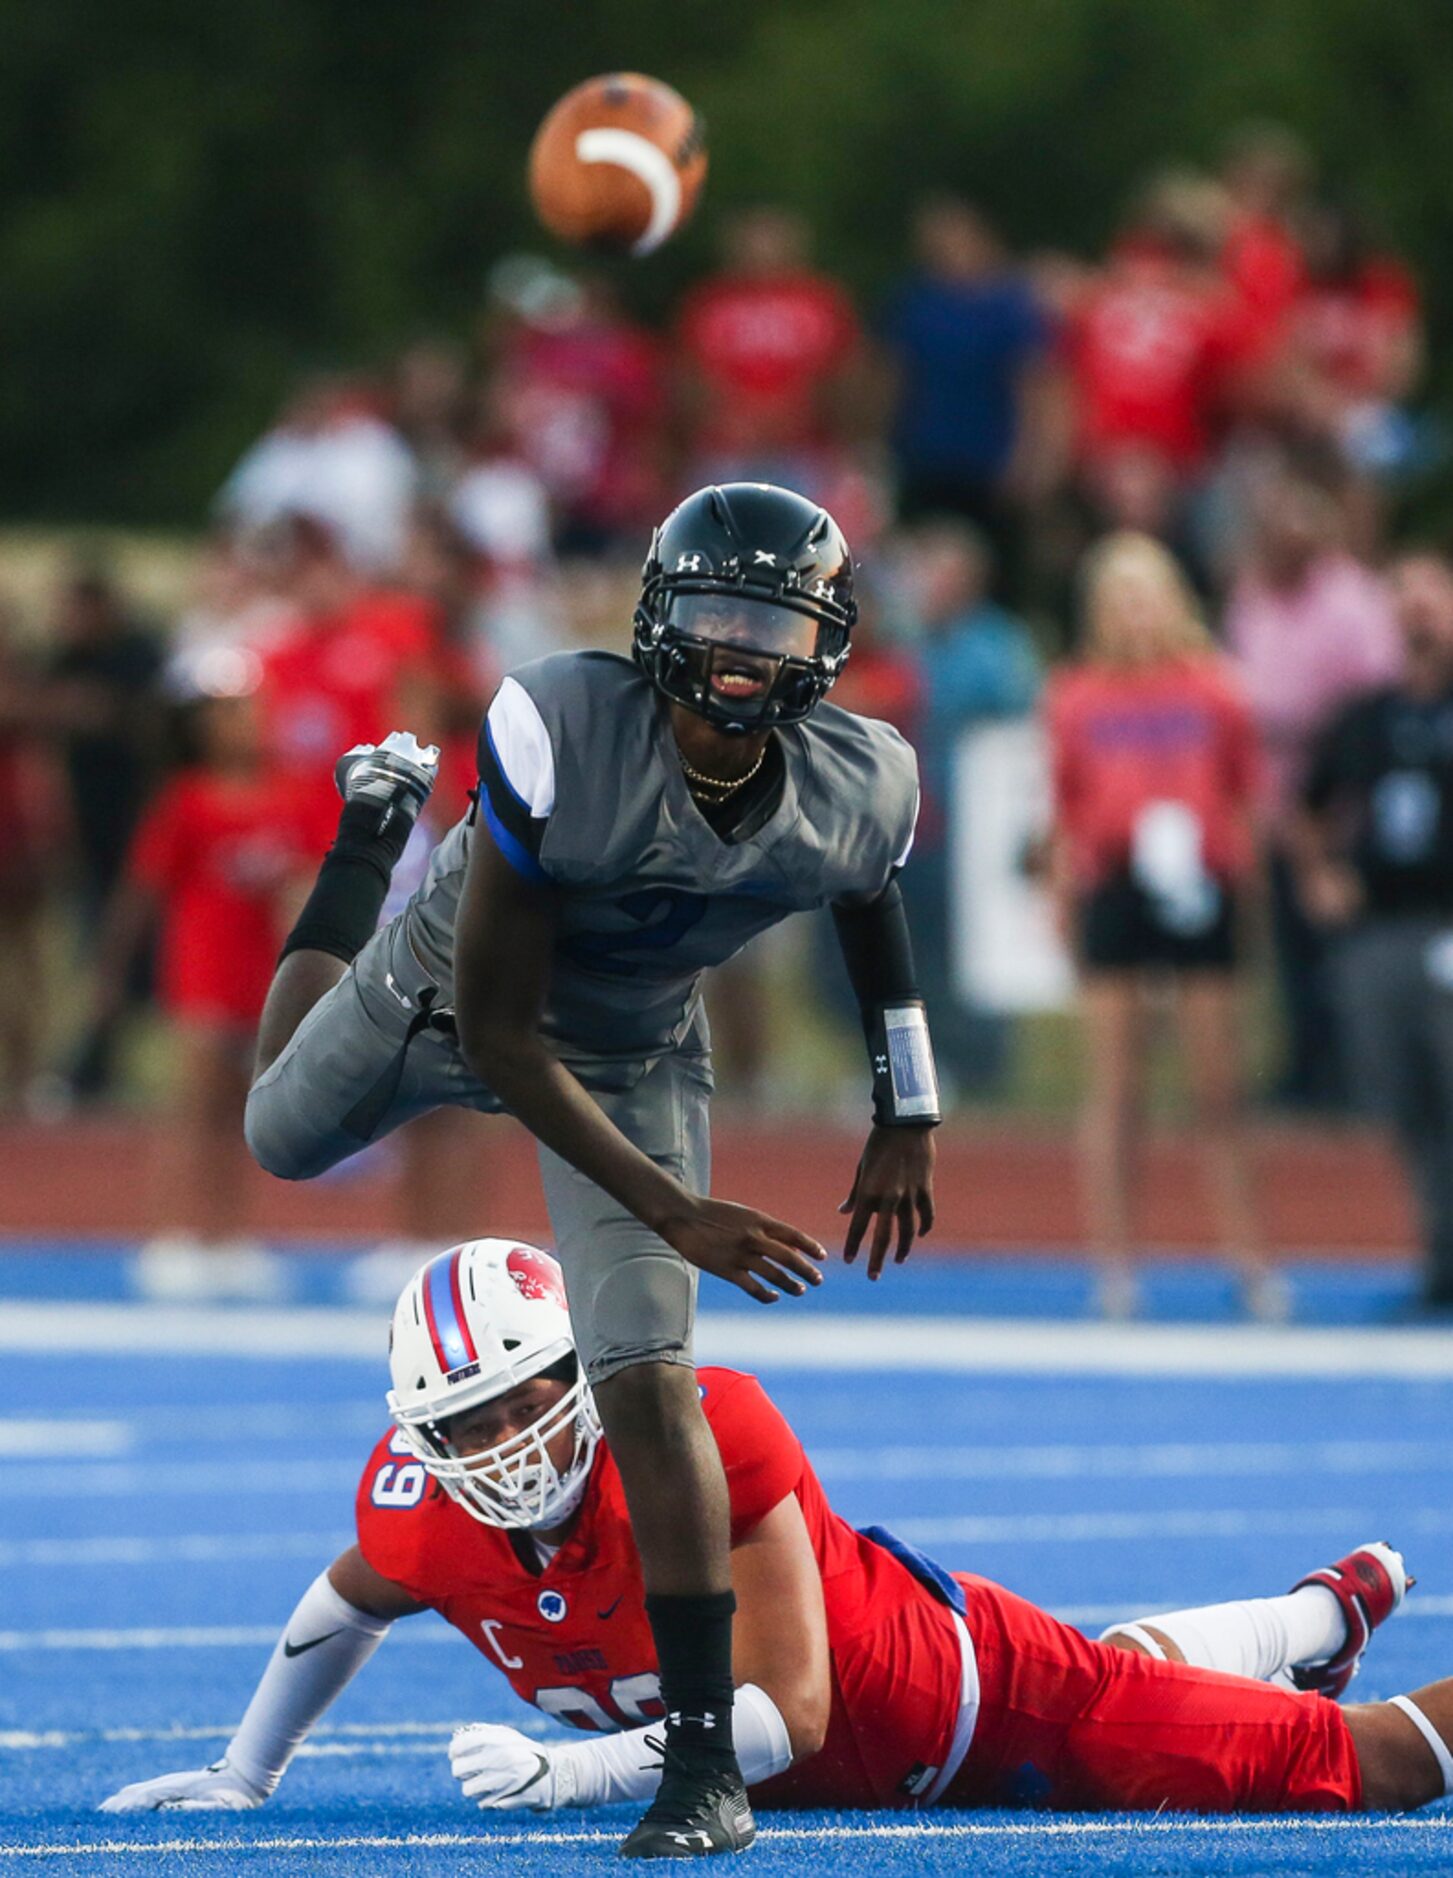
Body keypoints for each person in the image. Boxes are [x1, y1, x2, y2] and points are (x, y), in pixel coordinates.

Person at [239, 483, 940, 1857]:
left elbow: (871, 907)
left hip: (628, 1048)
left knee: (644, 1373)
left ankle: (698, 1768)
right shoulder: (561, 722)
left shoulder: (866, 778)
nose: (743, 649)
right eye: (720, 615)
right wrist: (676, 1206)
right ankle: (370, 833)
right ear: (659, 621)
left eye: (775, 621)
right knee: (279, 1129)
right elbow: (501, 1033)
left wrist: (903, 1107)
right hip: (447, 996)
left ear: (827, 639)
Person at [100, 1236, 1445, 1830]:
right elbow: (337, 1608)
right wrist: (244, 1768)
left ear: (588, 1371)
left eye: (524, 1398)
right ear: (417, 1430)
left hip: (970, 1703)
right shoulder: (423, 1513)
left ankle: (1324, 1635)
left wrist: (573, 1778)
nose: (502, 1441)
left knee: (1372, 1764)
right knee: (1138, 1690)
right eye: (465, 1418)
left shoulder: (696, 1427)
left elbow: (788, 1715)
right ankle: (1314, 1617)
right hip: (901, 1749)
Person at [1045, 534, 1275, 1320]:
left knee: (1217, 1085)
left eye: (1148, 595)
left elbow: (1244, 793)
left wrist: (1241, 890)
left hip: (1198, 881)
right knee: (1116, 1086)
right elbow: (1065, 805)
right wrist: (1063, 898)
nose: (1135, 613)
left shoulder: (1214, 690)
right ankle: (1113, 1265)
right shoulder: (1077, 695)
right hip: (1117, 881)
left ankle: (1249, 1257)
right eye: (1120, 598)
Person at [93, 648, 334, 1300]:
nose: (239, 724)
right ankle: (175, 1233)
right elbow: (142, 891)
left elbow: (315, 881)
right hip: (202, 978)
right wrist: (112, 970)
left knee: (244, 1117)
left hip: (263, 983)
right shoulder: (186, 800)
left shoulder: (291, 795)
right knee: (193, 1112)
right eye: (223, 713)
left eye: (246, 710)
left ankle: (230, 1237)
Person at [1296, 549, 1453, 1312]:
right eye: (1406, 599)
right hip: (1383, 930)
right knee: (1408, 1103)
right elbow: (1304, 803)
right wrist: (1320, 872)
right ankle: (1438, 1261)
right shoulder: (1365, 716)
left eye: (1432, 598)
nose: (1419, 614)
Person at [1224, 467, 1402, 1110]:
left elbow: (1374, 706)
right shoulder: (1251, 596)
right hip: (1276, 796)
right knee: (1291, 946)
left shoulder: (1353, 601)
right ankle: (1305, 1070)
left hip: (1341, 793)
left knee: (1343, 939)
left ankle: (1356, 1073)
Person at [879, 196, 1062, 595]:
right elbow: (896, 378)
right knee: (924, 563)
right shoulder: (917, 303)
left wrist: (1029, 456)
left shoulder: (1011, 305)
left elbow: (1034, 383)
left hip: (991, 459)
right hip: (928, 452)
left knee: (998, 570)